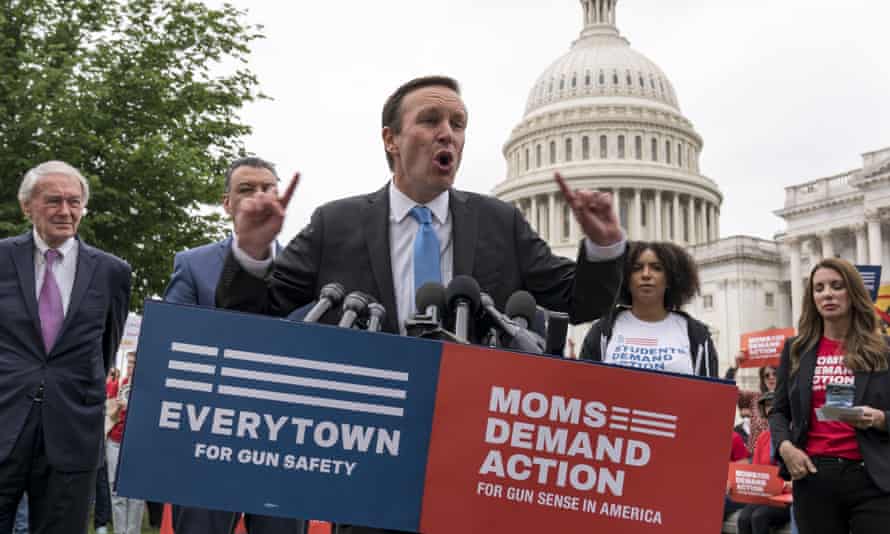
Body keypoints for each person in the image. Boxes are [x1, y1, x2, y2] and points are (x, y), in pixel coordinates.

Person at [216, 75, 626, 534]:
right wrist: (250, 251)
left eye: (458, 123)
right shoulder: (337, 223)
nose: (447, 132)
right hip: (367, 457)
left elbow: (578, 299)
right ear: (390, 139)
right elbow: (252, 317)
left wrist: (606, 247)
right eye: (430, 120)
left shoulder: (500, 222)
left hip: (477, 457)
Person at [164, 156, 307, 534]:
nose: (259, 197)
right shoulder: (192, 265)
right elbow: (172, 346)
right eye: (247, 189)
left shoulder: (305, 269)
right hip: (206, 446)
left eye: (268, 188)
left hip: (284, 449)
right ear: (227, 204)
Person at [0, 161, 131, 533]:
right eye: (53, 201)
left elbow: (105, 349)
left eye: (74, 202)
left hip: (72, 435)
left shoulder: (112, 273)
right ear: (27, 206)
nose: (65, 211)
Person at [770, 258, 890, 534]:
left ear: (853, 293)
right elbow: (779, 411)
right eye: (819, 288)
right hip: (814, 475)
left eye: (837, 286)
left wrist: (881, 418)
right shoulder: (796, 349)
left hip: (871, 477)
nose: (827, 294)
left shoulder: (883, 349)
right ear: (812, 297)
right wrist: (786, 448)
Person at [578, 241, 718, 377]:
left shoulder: (696, 335)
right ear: (626, 279)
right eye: (637, 268)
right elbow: (582, 386)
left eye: (656, 268)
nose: (646, 274)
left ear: (670, 279)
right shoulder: (602, 332)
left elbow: (708, 393)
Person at [736, 392, 791, 534]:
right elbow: (756, 472)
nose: (770, 408)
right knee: (743, 518)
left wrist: (783, 485)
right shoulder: (763, 437)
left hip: (787, 498)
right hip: (765, 496)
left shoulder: (794, 433)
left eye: (773, 404)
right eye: (767, 405)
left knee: (759, 517)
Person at [106, 351, 144, 534]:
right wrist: (118, 407)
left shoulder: (147, 388)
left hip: (138, 444)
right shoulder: (116, 385)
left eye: (134, 364)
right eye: (128, 364)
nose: (130, 368)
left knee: (136, 493)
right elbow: (110, 416)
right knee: (116, 491)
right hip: (115, 441)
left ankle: (133, 531)